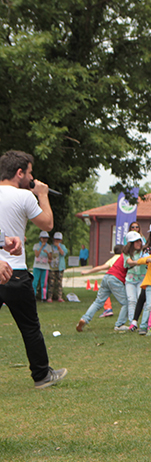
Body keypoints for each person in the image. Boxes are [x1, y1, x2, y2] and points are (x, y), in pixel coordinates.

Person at [0, 150, 66, 388]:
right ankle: (42, 375)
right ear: (20, 173)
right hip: (15, 271)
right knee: (29, 327)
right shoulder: (25, 198)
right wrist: (42, 195)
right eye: (29, 172)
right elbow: (47, 223)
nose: (32, 176)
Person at [76, 232, 141, 332]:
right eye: (137, 241)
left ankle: (84, 319)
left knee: (98, 302)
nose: (139, 243)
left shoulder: (120, 256)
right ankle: (119, 325)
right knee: (127, 303)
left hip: (107, 277)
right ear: (131, 244)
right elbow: (130, 264)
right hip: (116, 279)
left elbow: (102, 267)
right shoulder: (129, 255)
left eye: (139, 241)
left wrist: (87, 272)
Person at [47, 232, 68, 302]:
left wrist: (58, 246)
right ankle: (50, 297)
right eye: (56, 239)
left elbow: (63, 253)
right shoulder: (51, 247)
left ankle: (60, 297)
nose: (57, 241)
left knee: (59, 282)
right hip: (52, 267)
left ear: (61, 240)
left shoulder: (63, 247)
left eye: (58, 240)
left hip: (60, 267)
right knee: (51, 282)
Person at [32, 231, 51, 300]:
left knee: (44, 282)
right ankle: (33, 295)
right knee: (35, 281)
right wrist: (41, 247)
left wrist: (48, 253)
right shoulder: (36, 245)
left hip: (45, 267)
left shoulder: (49, 247)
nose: (45, 239)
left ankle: (44, 297)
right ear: (40, 238)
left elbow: (50, 257)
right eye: (43, 238)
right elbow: (37, 255)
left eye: (46, 238)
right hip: (37, 266)